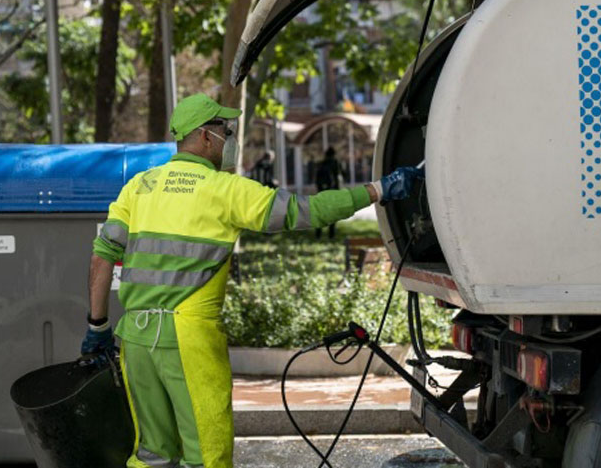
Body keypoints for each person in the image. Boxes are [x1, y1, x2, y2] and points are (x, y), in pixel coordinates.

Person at [80, 93, 423, 468]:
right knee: (207, 456)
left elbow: (102, 256)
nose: (231, 138)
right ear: (206, 137)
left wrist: (98, 327)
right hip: (188, 342)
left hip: (135, 340)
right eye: (226, 130)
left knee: (152, 454)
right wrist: (378, 189)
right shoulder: (225, 190)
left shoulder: (139, 187)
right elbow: (307, 211)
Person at [315, 147, 344, 239]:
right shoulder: (336, 163)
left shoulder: (322, 163)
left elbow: (317, 179)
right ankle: (331, 235)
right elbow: (343, 174)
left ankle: (318, 234)